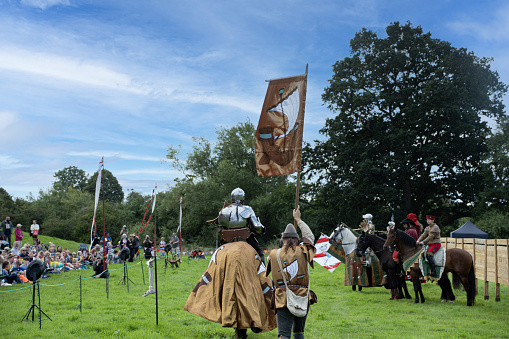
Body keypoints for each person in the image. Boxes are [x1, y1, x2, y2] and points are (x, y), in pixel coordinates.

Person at [266, 207, 316, 339]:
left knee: (284, 334)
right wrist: (298, 219)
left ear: (282, 240)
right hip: (302, 296)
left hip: (282, 297)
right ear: (297, 240)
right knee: (299, 332)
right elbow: (310, 237)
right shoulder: (304, 251)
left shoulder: (273, 254)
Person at [214, 187, 265, 261]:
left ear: (232, 198)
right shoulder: (248, 209)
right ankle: (263, 271)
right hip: (246, 238)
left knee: (217, 256)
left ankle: (214, 271)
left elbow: (220, 229)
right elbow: (257, 226)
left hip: (227, 239)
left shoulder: (224, 210)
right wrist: (261, 230)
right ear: (243, 198)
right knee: (259, 253)